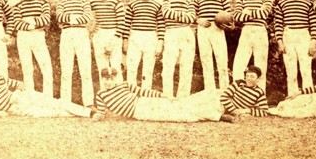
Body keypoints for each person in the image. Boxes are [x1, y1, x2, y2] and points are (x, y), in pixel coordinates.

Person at [0, 61, 99, 119]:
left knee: (56, 102)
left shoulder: (1, 78)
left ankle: (90, 112)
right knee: (50, 113)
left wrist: (17, 93)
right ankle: (83, 114)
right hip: (13, 108)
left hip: (22, 97)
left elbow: (20, 84)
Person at [94, 67, 223, 122]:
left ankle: (216, 105)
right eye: (106, 79)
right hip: (140, 112)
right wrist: (97, 116)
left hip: (144, 102)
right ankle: (216, 115)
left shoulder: (124, 84)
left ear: (116, 78)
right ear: (102, 79)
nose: (109, 81)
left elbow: (144, 91)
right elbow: (101, 112)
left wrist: (163, 95)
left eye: (111, 79)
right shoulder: (101, 95)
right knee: (180, 115)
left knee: (179, 104)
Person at [274, 0, 316, 96]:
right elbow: (278, 24)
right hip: (288, 35)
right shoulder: (281, 4)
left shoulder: (308, 4)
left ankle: (308, 97)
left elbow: (313, 24)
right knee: (291, 70)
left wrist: (313, 41)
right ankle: (292, 97)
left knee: (305, 69)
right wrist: (280, 42)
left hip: (303, 35)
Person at [12, 0, 53, 97]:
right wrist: (32, 24)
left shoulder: (43, 3)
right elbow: (17, 22)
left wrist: (29, 21)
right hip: (23, 36)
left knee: (46, 66)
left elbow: (45, 19)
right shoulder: (18, 6)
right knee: (27, 67)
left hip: (38, 36)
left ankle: (48, 97)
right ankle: (30, 96)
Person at [122, 0, 165, 89]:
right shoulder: (132, 4)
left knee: (148, 68)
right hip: (135, 36)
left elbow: (161, 25)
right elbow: (126, 25)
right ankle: (131, 92)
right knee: (132, 66)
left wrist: (160, 42)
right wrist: (125, 41)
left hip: (150, 37)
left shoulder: (157, 5)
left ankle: (146, 93)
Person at [232, 0, 273, 92]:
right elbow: (237, 16)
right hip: (246, 31)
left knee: (260, 65)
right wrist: (255, 12)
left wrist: (247, 11)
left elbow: (264, 13)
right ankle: (238, 94)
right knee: (239, 64)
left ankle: (260, 96)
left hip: (260, 31)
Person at [57, 0, 94, 107]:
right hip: (67, 34)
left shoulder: (85, 2)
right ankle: (65, 101)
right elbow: (59, 17)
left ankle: (88, 102)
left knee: (85, 68)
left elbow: (87, 18)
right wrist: (75, 18)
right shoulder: (62, 3)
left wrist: (70, 19)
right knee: (66, 69)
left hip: (81, 34)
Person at [195, 0, 231, 90]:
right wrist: (198, 20)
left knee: (221, 59)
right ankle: (210, 91)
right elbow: (194, 13)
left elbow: (228, 13)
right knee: (206, 60)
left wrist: (228, 24)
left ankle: (224, 90)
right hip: (203, 29)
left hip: (217, 29)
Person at [161, 0, 197, 98]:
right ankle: (168, 96)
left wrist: (176, 15)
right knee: (168, 64)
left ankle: (183, 97)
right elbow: (166, 13)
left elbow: (191, 18)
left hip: (186, 32)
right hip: (171, 32)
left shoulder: (190, 0)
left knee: (186, 65)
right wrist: (183, 15)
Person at [90, 0, 125, 89]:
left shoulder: (117, 3)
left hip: (113, 34)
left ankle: (119, 94)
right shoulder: (93, 3)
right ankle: (104, 95)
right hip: (100, 34)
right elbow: (89, 19)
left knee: (115, 66)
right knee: (102, 67)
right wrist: (93, 32)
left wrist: (113, 40)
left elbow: (121, 23)